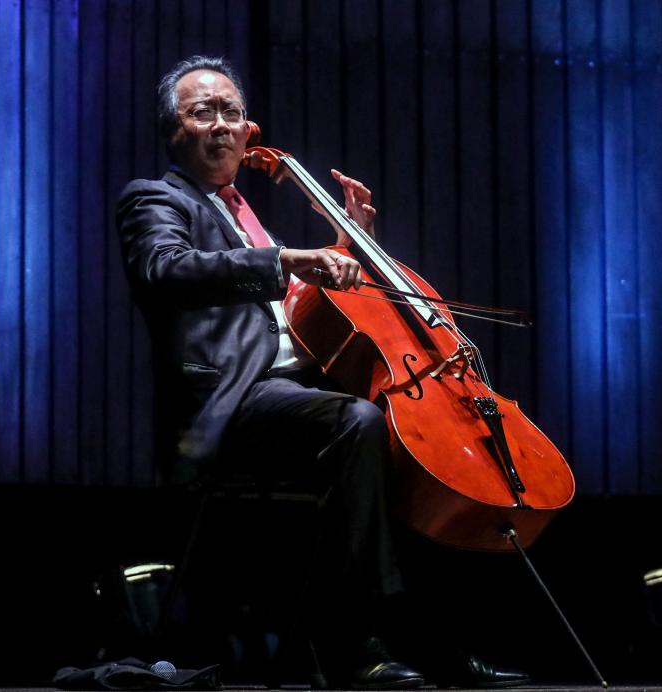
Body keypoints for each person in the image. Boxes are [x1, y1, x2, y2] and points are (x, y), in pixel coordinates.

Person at [116, 55, 529, 689]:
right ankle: (349, 643)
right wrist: (286, 257)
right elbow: (165, 270)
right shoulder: (156, 200)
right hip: (230, 398)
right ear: (173, 128)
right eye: (203, 113)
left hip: (297, 389)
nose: (221, 125)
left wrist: (348, 246)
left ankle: (434, 641)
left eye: (232, 112)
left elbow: (303, 305)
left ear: (249, 126)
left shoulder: (244, 216)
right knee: (357, 421)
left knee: (415, 443)